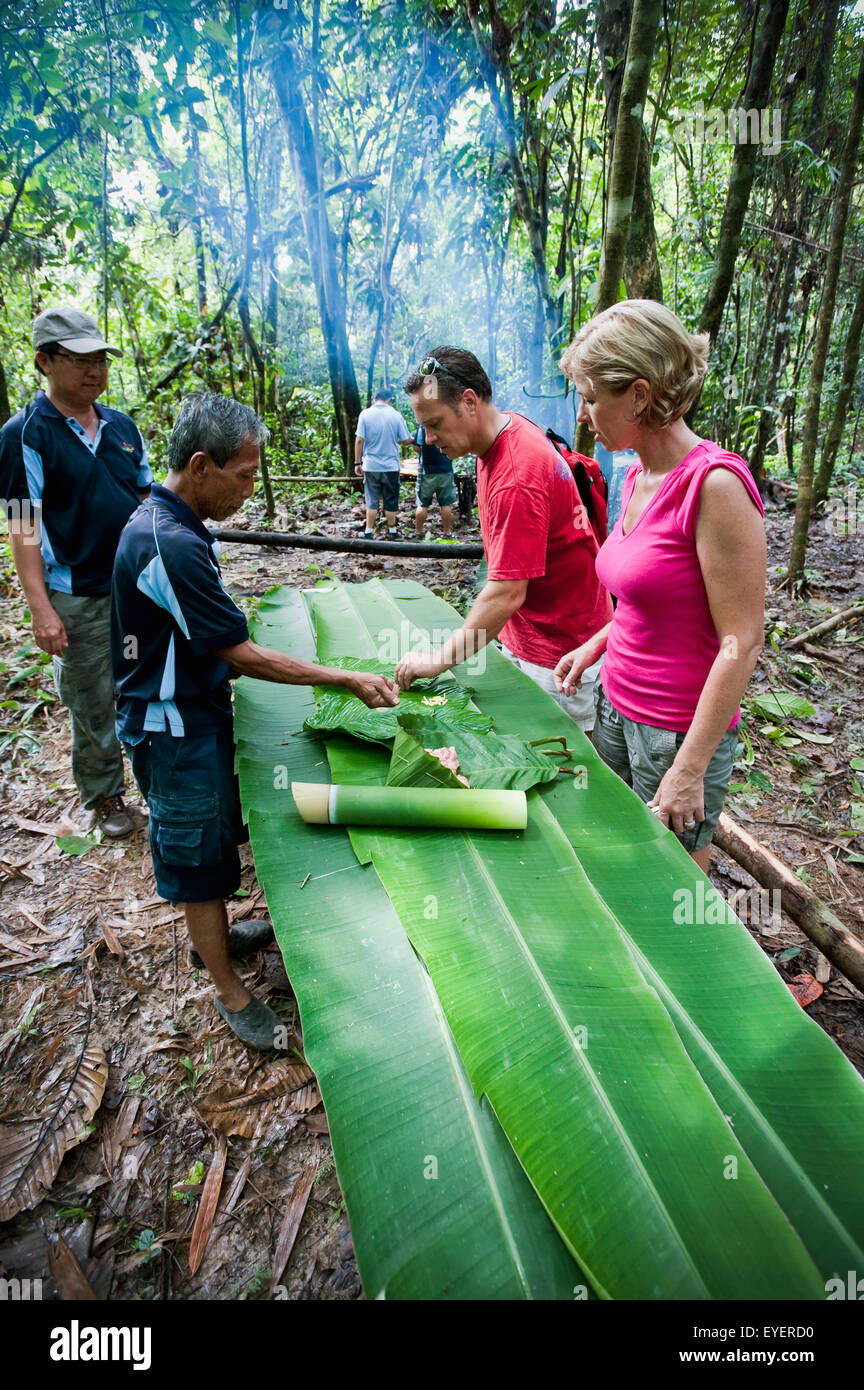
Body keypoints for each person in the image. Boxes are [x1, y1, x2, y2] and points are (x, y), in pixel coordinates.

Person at [112, 394, 398, 1050]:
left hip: (194, 711)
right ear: (202, 465)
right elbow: (235, 652)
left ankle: (219, 935)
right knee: (197, 860)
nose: (249, 487)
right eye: (244, 475)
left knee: (214, 843)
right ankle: (229, 988)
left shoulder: (174, 522)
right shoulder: (169, 542)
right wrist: (343, 678)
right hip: (172, 728)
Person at [555, 299, 766, 873]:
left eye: (593, 396)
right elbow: (651, 595)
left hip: (677, 728)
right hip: (617, 702)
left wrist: (690, 768)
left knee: (670, 873)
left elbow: (742, 641)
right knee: (620, 851)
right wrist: (598, 642)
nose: (584, 413)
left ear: (641, 396)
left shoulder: (714, 486)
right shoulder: (633, 472)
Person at [393, 347, 613, 731]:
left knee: (562, 775)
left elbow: (506, 592)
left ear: (469, 401)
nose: (427, 439)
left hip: (561, 653)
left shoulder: (516, 475)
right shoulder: (500, 433)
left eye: (435, 423)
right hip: (530, 633)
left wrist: (435, 661)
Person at [0, 306, 152, 837]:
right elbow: (23, 526)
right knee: (90, 697)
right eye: (79, 360)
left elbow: (145, 496)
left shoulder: (121, 426)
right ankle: (105, 796)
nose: (94, 371)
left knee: (143, 683)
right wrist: (41, 608)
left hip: (133, 588)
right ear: (45, 361)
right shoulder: (27, 434)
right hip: (76, 593)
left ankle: (156, 780)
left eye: (100, 360)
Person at [354, 386, 413, 538]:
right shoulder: (395, 415)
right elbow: (406, 440)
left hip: (371, 465)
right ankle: (392, 531)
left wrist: (357, 463)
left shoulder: (365, 414)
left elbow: (360, 439)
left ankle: (368, 532)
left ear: (375, 398)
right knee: (390, 498)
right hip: (390, 466)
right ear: (389, 400)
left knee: (372, 499)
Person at [413, 423, 456, 536]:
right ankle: (447, 532)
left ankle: (418, 532)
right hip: (446, 469)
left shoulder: (424, 426)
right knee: (445, 504)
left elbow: (416, 446)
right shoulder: (447, 425)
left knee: (422, 504)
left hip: (427, 471)